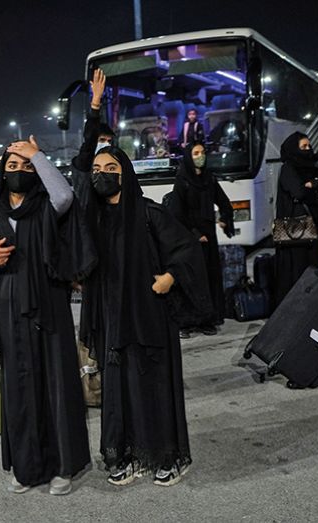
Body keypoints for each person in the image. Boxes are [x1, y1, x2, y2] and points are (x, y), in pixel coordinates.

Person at [0, 136, 94, 496]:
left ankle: (62, 467)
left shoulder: (45, 206)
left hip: (49, 304)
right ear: (2, 173)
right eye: (13, 166)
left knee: (56, 385)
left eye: (26, 167)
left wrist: (37, 155)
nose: (19, 171)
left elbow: (66, 195)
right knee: (20, 389)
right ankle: (26, 467)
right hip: (9, 309)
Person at [79, 146, 212, 488]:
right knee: (118, 390)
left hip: (148, 316)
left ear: (125, 173)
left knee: (152, 385)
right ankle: (126, 455)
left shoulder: (148, 213)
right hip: (112, 319)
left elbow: (186, 249)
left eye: (110, 167)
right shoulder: (92, 220)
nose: (101, 173)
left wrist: (170, 277)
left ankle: (166, 456)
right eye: (96, 168)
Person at [163, 142, 234, 336]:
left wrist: (225, 218)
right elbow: (177, 213)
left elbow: (223, 200)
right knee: (190, 279)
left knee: (208, 278)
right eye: (196, 153)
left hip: (208, 236)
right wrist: (195, 234)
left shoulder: (209, 178)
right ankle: (186, 322)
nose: (200, 156)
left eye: (202, 152)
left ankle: (206, 320)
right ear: (188, 156)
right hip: (188, 238)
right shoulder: (182, 180)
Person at [274, 132, 318, 305]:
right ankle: (296, 303)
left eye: (309, 146)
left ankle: (312, 301)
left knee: (313, 262)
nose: (308, 150)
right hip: (295, 225)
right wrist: (312, 184)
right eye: (303, 147)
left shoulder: (309, 168)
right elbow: (298, 192)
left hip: (312, 222)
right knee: (298, 265)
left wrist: (312, 183)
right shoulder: (288, 168)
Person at [71, 69, 116, 195]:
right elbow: (90, 138)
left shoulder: (116, 162)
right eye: (102, 140)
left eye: (109, 141)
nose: (106, 144)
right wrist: (95, 103)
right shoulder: (83, 164)